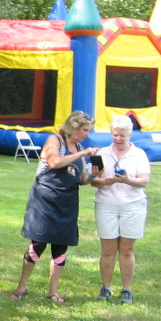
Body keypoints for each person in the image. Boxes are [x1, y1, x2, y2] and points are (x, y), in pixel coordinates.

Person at [12, 110, 98, 304]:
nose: (87, 134)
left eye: (88, 130)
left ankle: (53, 291)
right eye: (84, 130)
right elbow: (54, 162)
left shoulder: (79, 147)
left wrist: (93, 175)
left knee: (61, 246)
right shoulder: (55, 141)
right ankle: (21, 287)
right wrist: (84, 153)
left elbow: (82, 179)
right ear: (73, 126)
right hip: (45, 201)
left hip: (67, 203)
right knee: (38, 243)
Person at [91, 115, 150, 303]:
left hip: (132, 205)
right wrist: (101, 178)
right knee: (108, 249)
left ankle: (126, 290)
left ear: (130, 135)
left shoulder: (139, 154)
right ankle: (106, 287)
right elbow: (94, 183)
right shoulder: (102, 153)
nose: (118, 139)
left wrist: (127, 180)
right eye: (115, 135)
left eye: (122, 136)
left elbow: (144, 181)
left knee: (126, 249)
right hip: (106, 204)